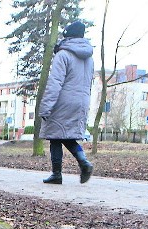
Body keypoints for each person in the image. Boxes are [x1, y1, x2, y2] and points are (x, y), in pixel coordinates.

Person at [39, 20, 95, 184]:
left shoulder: (63, 55)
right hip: (82, 101)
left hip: (63, 101)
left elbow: (55, 83)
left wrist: (46, 107)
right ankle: (83, 161)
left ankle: (58, 173)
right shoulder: (89, 58)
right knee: (67, 135)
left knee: (55, 136)